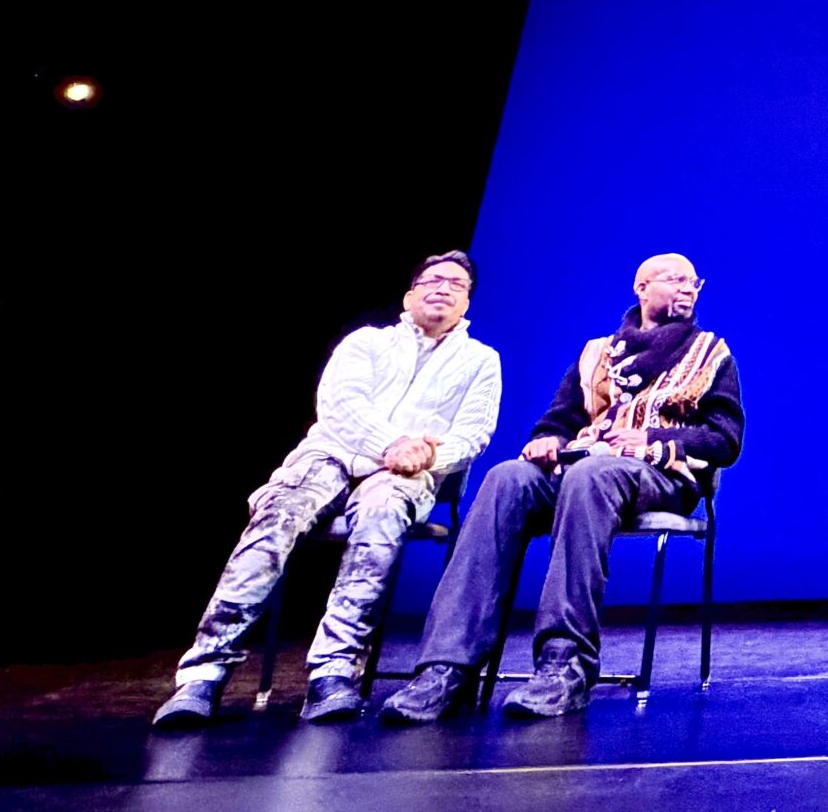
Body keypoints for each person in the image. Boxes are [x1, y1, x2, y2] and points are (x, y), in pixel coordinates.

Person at [378, 253, 741, 722]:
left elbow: (724, 439)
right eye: (675, 280)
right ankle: (448, 666)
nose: (689, 289)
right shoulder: (598, 352)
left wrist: (651, 439)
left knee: (591, 477)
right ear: (641, 287)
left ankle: (565, 664)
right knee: (507, 478)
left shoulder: (710, 352)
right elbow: (560, 419)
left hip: (658, 476)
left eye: (695, 282)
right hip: (582, 468)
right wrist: (546, 439)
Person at [152, 252, 503, 729]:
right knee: (274, 520)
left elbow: (473, 434)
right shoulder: (365, 344)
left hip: (409, 471)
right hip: (333, 453)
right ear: (409, 295)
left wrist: (426, 457)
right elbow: (338, 407)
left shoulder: (481, 361)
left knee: (379, 527)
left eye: (456, 285)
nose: (442, 288)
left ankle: (334, 672)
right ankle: (204, 675)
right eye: (432, 280)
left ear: (466, 304)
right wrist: (391, 444)